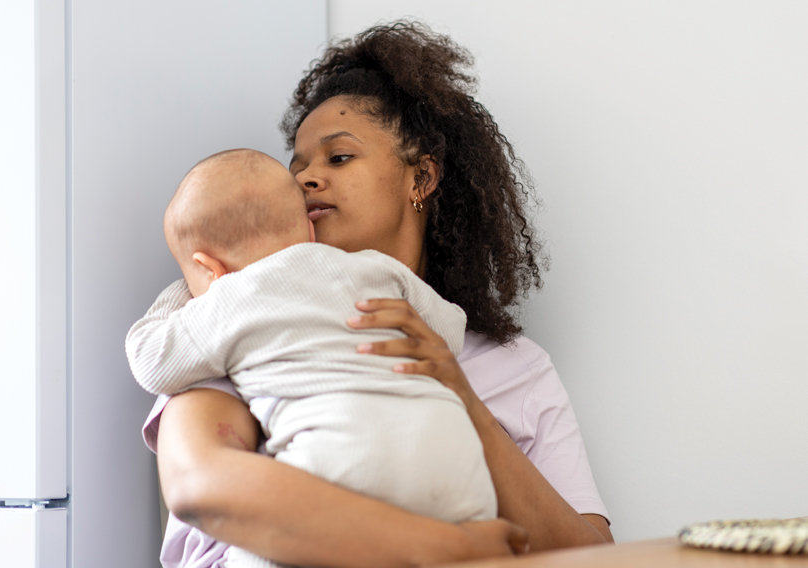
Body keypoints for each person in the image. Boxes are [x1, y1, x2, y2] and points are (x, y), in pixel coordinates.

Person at [143, 21, 613, 568]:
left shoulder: (518, 369)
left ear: (422, 178)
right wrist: (437, 546)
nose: (307, 180)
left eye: (338, 158)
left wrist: (460, 397)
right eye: (297, 168)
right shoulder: (245, 318)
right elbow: (203, 488)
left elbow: (595, 559)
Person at [127, 148, 500, 568]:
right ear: (309, 229)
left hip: (335, 472)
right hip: (458, 478)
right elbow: (450, 335)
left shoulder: (230, 299)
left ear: (210, 268)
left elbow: (148, 357)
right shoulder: (377, 269)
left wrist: (185, 291)